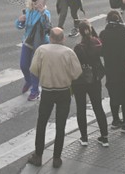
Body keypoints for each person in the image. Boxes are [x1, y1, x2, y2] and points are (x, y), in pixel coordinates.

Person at [26, 27, 82, 169]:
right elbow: (77, 73)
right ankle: (56, 158)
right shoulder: (69, 52)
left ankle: (38, 156)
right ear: (63, 39)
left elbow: (33, 69)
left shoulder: (41, 50)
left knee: (42, 123)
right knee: (60, 125)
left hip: (47, 91)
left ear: (50, 38)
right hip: (64, 91)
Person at [72, 21, 109, 147]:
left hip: (80, 82)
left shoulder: (78, 48)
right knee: (98, 107)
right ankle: (104, 137)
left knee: (81, 108)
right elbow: (101, 46)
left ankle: (84, 138)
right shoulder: (97, 43)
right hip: (95, 79)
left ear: (80, 32)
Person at [100, 10, 125, 132]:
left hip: (111, 70)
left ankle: (115, 120)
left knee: (113, 95)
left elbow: (101, 52)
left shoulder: (103, 34)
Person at [15, 0, 51, 102]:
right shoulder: (28, 12)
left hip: (39, 44)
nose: (35, 2)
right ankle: (29, 81)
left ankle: (35, 91)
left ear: (42, 1)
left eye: (37, 0)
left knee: (33, 68)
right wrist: (19, 21)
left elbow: (47, 27)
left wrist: (42, 13)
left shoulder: (45, 13)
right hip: (27, 41)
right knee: (23, 65)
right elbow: (19, 26)